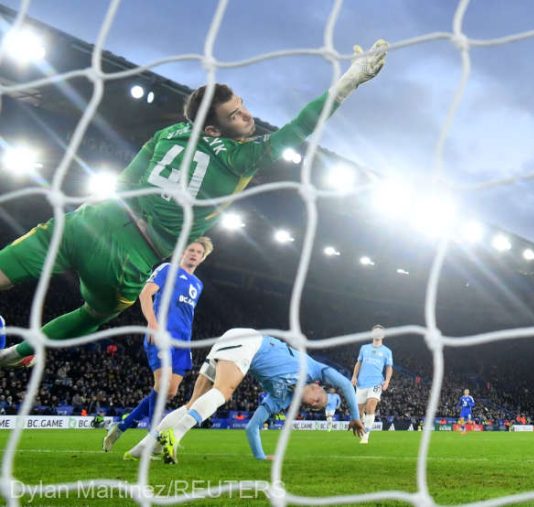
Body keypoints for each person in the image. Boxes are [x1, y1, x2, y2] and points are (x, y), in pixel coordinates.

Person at [0, 39, 389, 368]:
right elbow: (301, 126)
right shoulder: (243, 157)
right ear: (213, 129)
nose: (247, 115)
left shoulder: (169, 132)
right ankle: (17, 354)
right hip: (129, 260)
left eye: (242, 104)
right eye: (235, 115)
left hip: (88, 221)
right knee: (94, 313)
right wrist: (349, 82)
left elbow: (125, 183)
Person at [125, 328, 364, 463]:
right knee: (224, 392)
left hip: (230, 344)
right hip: (250, 341)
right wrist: (354, 416)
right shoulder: (316, 369)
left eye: (314, 407)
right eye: (318, 400)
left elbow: (252, 427)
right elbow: (345, 384)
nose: (313, 403)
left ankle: (141, 449)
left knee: (193, 404)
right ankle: (175, 435)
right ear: (319, 387)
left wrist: (260, 456)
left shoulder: (280, 399)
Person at [103, 237, 212, 452]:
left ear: (202, 258)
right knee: (162, 385)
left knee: (169, 392)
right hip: (162, 334)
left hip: (183, 342)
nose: (194, 254)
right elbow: (145, 294)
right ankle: (153, 434)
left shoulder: (198, 284)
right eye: (191, 250)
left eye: (199, 252)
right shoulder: (168, 269)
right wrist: (153, 325)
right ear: (183, 252)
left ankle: (123, 425)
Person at [351, 324, 393, 444]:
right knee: (359, 412)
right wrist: (354, 376)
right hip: (361, 383)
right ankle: (364, 420)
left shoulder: (387, 351)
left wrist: (387, 381)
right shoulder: (364, 348)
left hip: (376, 382)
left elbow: (389, 367)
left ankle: (366, 435)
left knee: (370, 406)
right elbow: (358, 363)